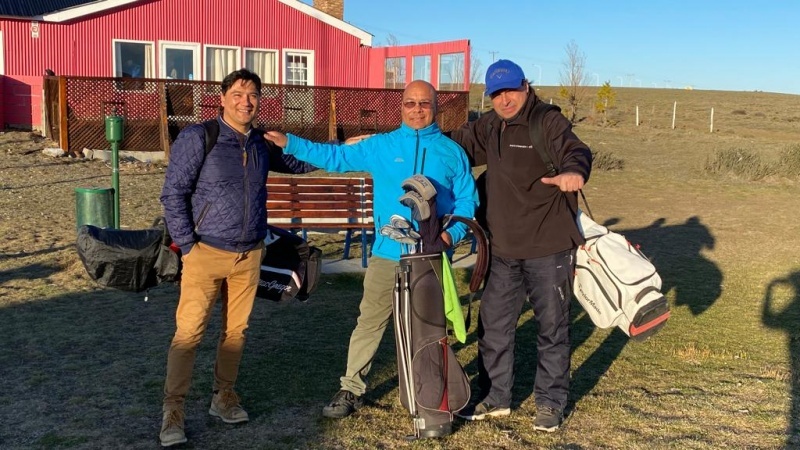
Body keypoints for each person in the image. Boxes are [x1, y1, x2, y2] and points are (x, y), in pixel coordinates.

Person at [265, 80, 477, 437]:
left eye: (424, 103)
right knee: (370, 321)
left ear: (436, 107)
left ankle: (429, 393)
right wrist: (291, 142)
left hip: (428, 258)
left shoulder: (451, 153)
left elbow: (468, 202)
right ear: (401, 106)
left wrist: (449, 235)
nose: (416, 109)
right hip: (386, 254)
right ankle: (351, 388)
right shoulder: (381, 145)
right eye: (410, 103)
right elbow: (335, 158)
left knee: (427, 328)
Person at [158, 68, 316, 447]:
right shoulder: (200, 137)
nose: (246, 101)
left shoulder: (262, 142)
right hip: (205, 252)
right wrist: (189, 247)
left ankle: (223, 397)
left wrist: (347, 148)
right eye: (239, 93)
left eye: (253, 94)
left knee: (235, 332)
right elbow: (172, 194)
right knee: (189, 334)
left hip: (249, 254)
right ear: (223, 96)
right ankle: (173, 411)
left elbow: (300, 162)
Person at [449, 59, 592, 432]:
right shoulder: (489, 126)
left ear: (525, 86)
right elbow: (453, 149)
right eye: (496, 93)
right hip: (501, 249)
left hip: (549, 247)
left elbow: (576, 150)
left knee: (553, 329)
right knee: (493, 327)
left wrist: (574, 172)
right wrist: (408, 139)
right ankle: (495, 397)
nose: (505, 99)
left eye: (510, 90)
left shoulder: (547, 121)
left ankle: (550, 402)